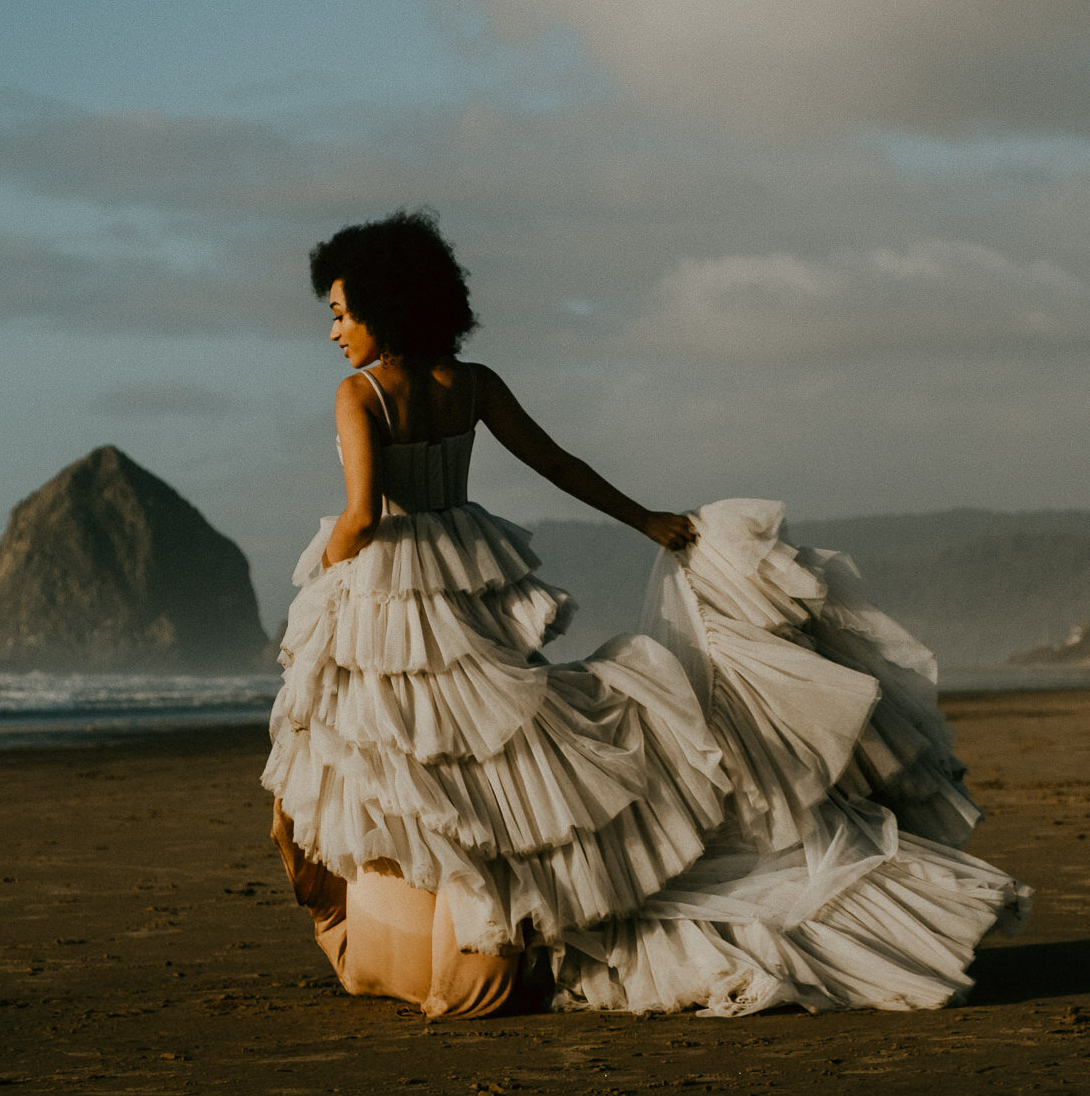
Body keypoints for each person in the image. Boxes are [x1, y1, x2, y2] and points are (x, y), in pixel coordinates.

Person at [263, 210, 1029, 1020]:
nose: (334, 331)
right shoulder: (475, 384)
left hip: (390, 587)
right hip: (460, 572)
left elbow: (359, 516)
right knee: (479, 757)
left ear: (385, 308)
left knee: (403, 756)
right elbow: (558, 464)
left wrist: (325, 580)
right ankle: (488, 922)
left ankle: (445, 934)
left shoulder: (361, 394)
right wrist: (645, 518)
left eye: (341, 313)